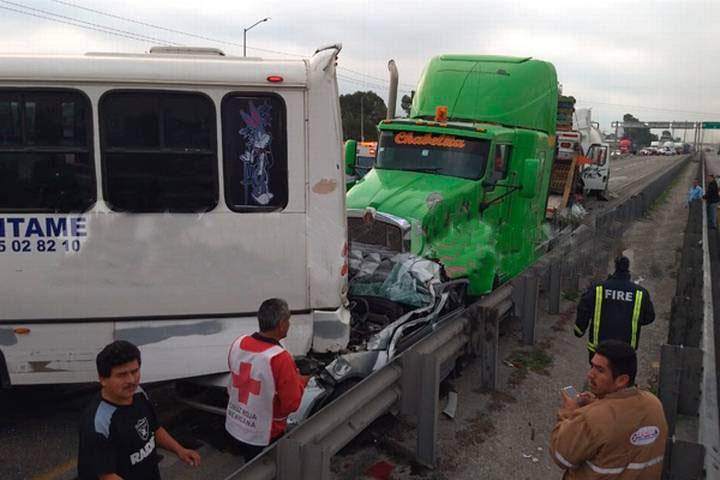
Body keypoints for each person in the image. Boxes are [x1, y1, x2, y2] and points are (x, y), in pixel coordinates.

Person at [78, 340, 201, 480]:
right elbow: (106, 475)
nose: (131, 380)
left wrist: (180, 450)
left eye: (134, 371)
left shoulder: (138, 393)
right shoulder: (98, 423)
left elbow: (154, 428)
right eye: (122, 375)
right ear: (103, 379)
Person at [550, 340, 668, 479]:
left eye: (600, 370)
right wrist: (597, 403)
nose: (590, 375)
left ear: (622, 380)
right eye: (592, 366)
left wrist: (569, 413)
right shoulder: (653, 404)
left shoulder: (592, 418)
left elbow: (562, 456)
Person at [225, 298, 308, 459]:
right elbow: (291, 404)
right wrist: (301, 381)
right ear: (282, 324)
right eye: (288, 321)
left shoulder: (238, 342)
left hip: (235, 424)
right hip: (264, 434)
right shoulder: (280, 358)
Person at [575, 256, 655, 362]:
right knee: (621, 377)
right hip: (625, 351)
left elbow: (584, 308)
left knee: (599, 375)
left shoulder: (598, 289)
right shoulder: (640, 293)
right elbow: (649, 317)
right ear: (628, 269)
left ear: (614, 268)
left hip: (599, 348)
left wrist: (579, 330)